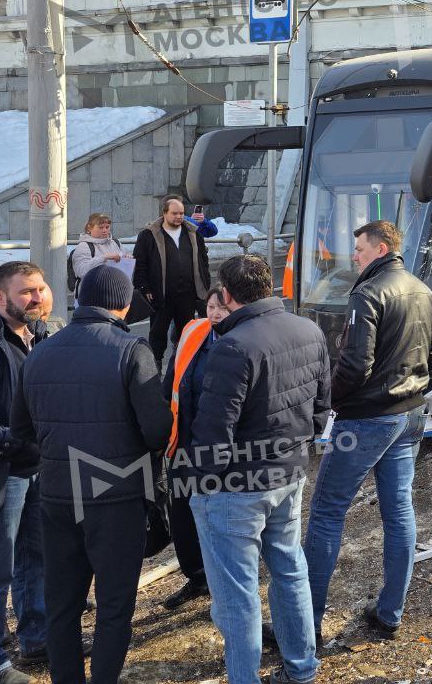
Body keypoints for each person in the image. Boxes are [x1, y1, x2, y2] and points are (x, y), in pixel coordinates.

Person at [11, 265, 171, 684]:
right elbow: (157, 431)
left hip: (56, 496)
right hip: (115, 499)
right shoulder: (131, 350)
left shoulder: (39, 352)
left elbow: (22, 432)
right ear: (122, 304)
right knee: (115, 604)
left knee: (62, 604)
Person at [188, 254, 329, 684]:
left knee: (237, 596)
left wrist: (205, 484)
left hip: (236, 488)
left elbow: (214, 430)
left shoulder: (234, 344)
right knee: (289, 571)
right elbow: (323, 410)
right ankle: (301, 670)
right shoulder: (308, 329)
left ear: (226, 295)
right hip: (288, 474)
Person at [303, 220, 432, 641]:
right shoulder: (422, 288)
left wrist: (327, 401)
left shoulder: (367, 293)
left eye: (360, 249)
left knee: (326, 513)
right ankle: (390, 613)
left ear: (381, 249)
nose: (355, 256)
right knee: (399, 511)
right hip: (410, 413)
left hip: (367, 418)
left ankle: (304, 622)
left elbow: (353, 365)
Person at [0, 263, 54, 684]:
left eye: (40, 289)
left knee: (37, 557)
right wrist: (14, 439)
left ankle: (36, 639)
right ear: (0, 298)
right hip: (5, 473)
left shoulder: (40, 336)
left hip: (38, 467)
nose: (36, 299)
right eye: (26, 293)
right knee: (0, 569)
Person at [159, 287, 230, 611]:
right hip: (182, 442)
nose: (215, 313)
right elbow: (171, 380)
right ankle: (196, 576)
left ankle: (221, 585)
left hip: (217, 450)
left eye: (222, 308)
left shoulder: (238, 340)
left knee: (216, 516)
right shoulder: (193, 332)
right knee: (182, 513)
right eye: (211, 306)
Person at [133, 195, 219, 368]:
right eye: (174, 213)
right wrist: (144, 288)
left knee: (185, 331)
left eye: (181, 213)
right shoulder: (149, 235)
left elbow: (203, 258)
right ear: (164, 213)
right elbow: (140, 263)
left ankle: (181, 363)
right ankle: (154, 365)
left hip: (187, 294)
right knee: (157, 332)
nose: (179, 217)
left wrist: (205, 280)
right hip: (160, 294)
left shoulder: (192, 233)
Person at [68, 213, 127, 298]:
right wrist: (104, 257)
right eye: (100, 227)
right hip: (91, 296)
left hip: (114, 293)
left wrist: (127, 259)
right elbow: (81, 271)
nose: (104, 230)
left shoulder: (115, 243)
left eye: (107, 227)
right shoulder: (84, 246)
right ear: (89, 228)